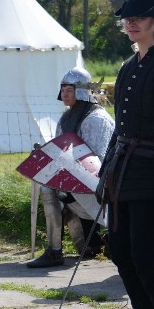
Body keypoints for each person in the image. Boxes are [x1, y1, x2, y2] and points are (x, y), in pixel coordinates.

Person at [104, 0, 154, 309]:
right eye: (127, 18)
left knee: (147, 256)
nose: (130, 22)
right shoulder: (127, 67)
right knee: (121, 252)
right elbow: (120, 129)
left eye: (138, 16)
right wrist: (106, 173)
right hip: (123, 173)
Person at [26, 67, 114, 268]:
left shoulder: (96, 119)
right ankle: (54, 251)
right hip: (75, 181)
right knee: (47, 187)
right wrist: (44, 155)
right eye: (63, 89)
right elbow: (61, 151)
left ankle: (100, 240)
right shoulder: (66, 118)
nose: (64, 94)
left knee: (51, 189)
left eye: (70, 89)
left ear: (82, 91)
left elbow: (97, 162)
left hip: (100, 188)